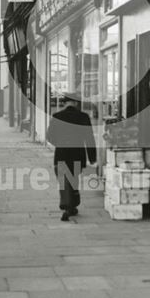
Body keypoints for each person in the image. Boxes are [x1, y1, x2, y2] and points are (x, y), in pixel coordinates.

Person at [46, 91, 97, 221]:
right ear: (75, 102)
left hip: (61, 153)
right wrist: (92, 157)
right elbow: (89, 138)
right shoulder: (83, 117)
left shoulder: (57, 116)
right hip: (77, 153)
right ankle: (71, 205)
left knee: (64, 180)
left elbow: (49, 136)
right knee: (73, 179)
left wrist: (61, 143)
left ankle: (67, 205)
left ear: (65, 102)